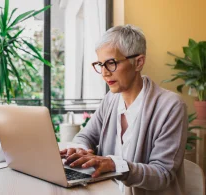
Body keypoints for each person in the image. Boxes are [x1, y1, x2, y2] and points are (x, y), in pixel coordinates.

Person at [60, 24, 187, 195]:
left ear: (138, 62)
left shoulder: (171, 106)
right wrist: (80, 149)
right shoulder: (110, 99)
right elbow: (85, 136)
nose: (104, 73)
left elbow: (162, 174)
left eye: (111, 63)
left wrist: (115, 165)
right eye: (100, 64)